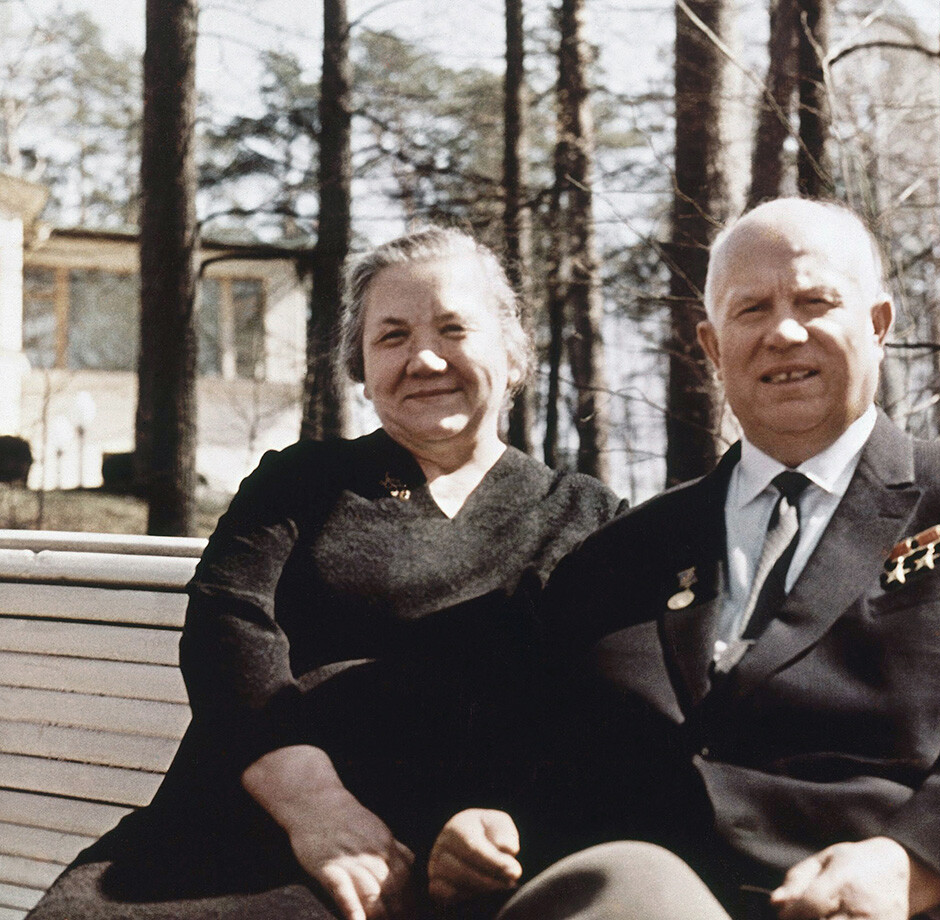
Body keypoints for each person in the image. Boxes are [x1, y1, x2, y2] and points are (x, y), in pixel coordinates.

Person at [425, 199, 940, 920]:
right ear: (714, 349)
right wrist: (491, 818)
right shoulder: (626, 552)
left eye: (815, 301)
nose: (783, 332)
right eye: (751, 310)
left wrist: (913, 863)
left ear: (877, 326)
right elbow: (548, 731)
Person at [26, 226, 624, 920]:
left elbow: (603, 707)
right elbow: (229, 627)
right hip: (249, 815)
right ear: (361, 368)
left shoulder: (586, 516)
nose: (423, 357)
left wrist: (517, 820)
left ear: (513, 353)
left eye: (453, 328)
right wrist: (317, 809)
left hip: (447, 859)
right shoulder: (300, 482)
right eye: (391, 336)